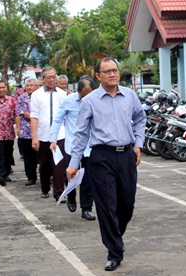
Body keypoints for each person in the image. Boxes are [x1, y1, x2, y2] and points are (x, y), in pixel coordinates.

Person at [66, 57, 146, 272]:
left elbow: (140, 118)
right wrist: (73, 163)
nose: (112, 74)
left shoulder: (130, 96)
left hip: (127, 155)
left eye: (115, 70)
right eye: (107, 71)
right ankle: (114, 251)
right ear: (98, 76)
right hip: (101, 157)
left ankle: (115, 235)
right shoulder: (90, 101)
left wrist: (138, 144)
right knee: (106, 205)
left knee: (126, 205)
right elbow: (81, 134)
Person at [50, 75, 96, 221]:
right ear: (77, 91)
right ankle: (71, 195)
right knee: (71, 174)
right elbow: (57, 120)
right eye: (84, 95)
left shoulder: (97, 101)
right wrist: (53, 140)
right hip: (73, 145)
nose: (86, 99)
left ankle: (86, 208)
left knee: (88, 178)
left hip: (90, 146)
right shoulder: (68, 101)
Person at [31, 67, 67, 200]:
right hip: (43, 135)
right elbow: (34, 116)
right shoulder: (37, 95)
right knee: (44, 164)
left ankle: (59, 193)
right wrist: (34, 136)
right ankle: (44, 188)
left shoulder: (63, 94)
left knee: (59, 165)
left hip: (60, 135)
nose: (52, 79)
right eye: (49, 77)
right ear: (43, 79)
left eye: (54, 76)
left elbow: (67, 115)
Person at [16, 77, 39, 186]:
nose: (29, 87)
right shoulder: (21, 98)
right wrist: (36, 117)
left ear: (36, 86)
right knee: (28, 157)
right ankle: (31, 177)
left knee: (41, 156)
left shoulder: (41, 97)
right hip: (26, 132)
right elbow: (24, 113)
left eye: (31, 85)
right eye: (27, 85)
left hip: (40, 131)